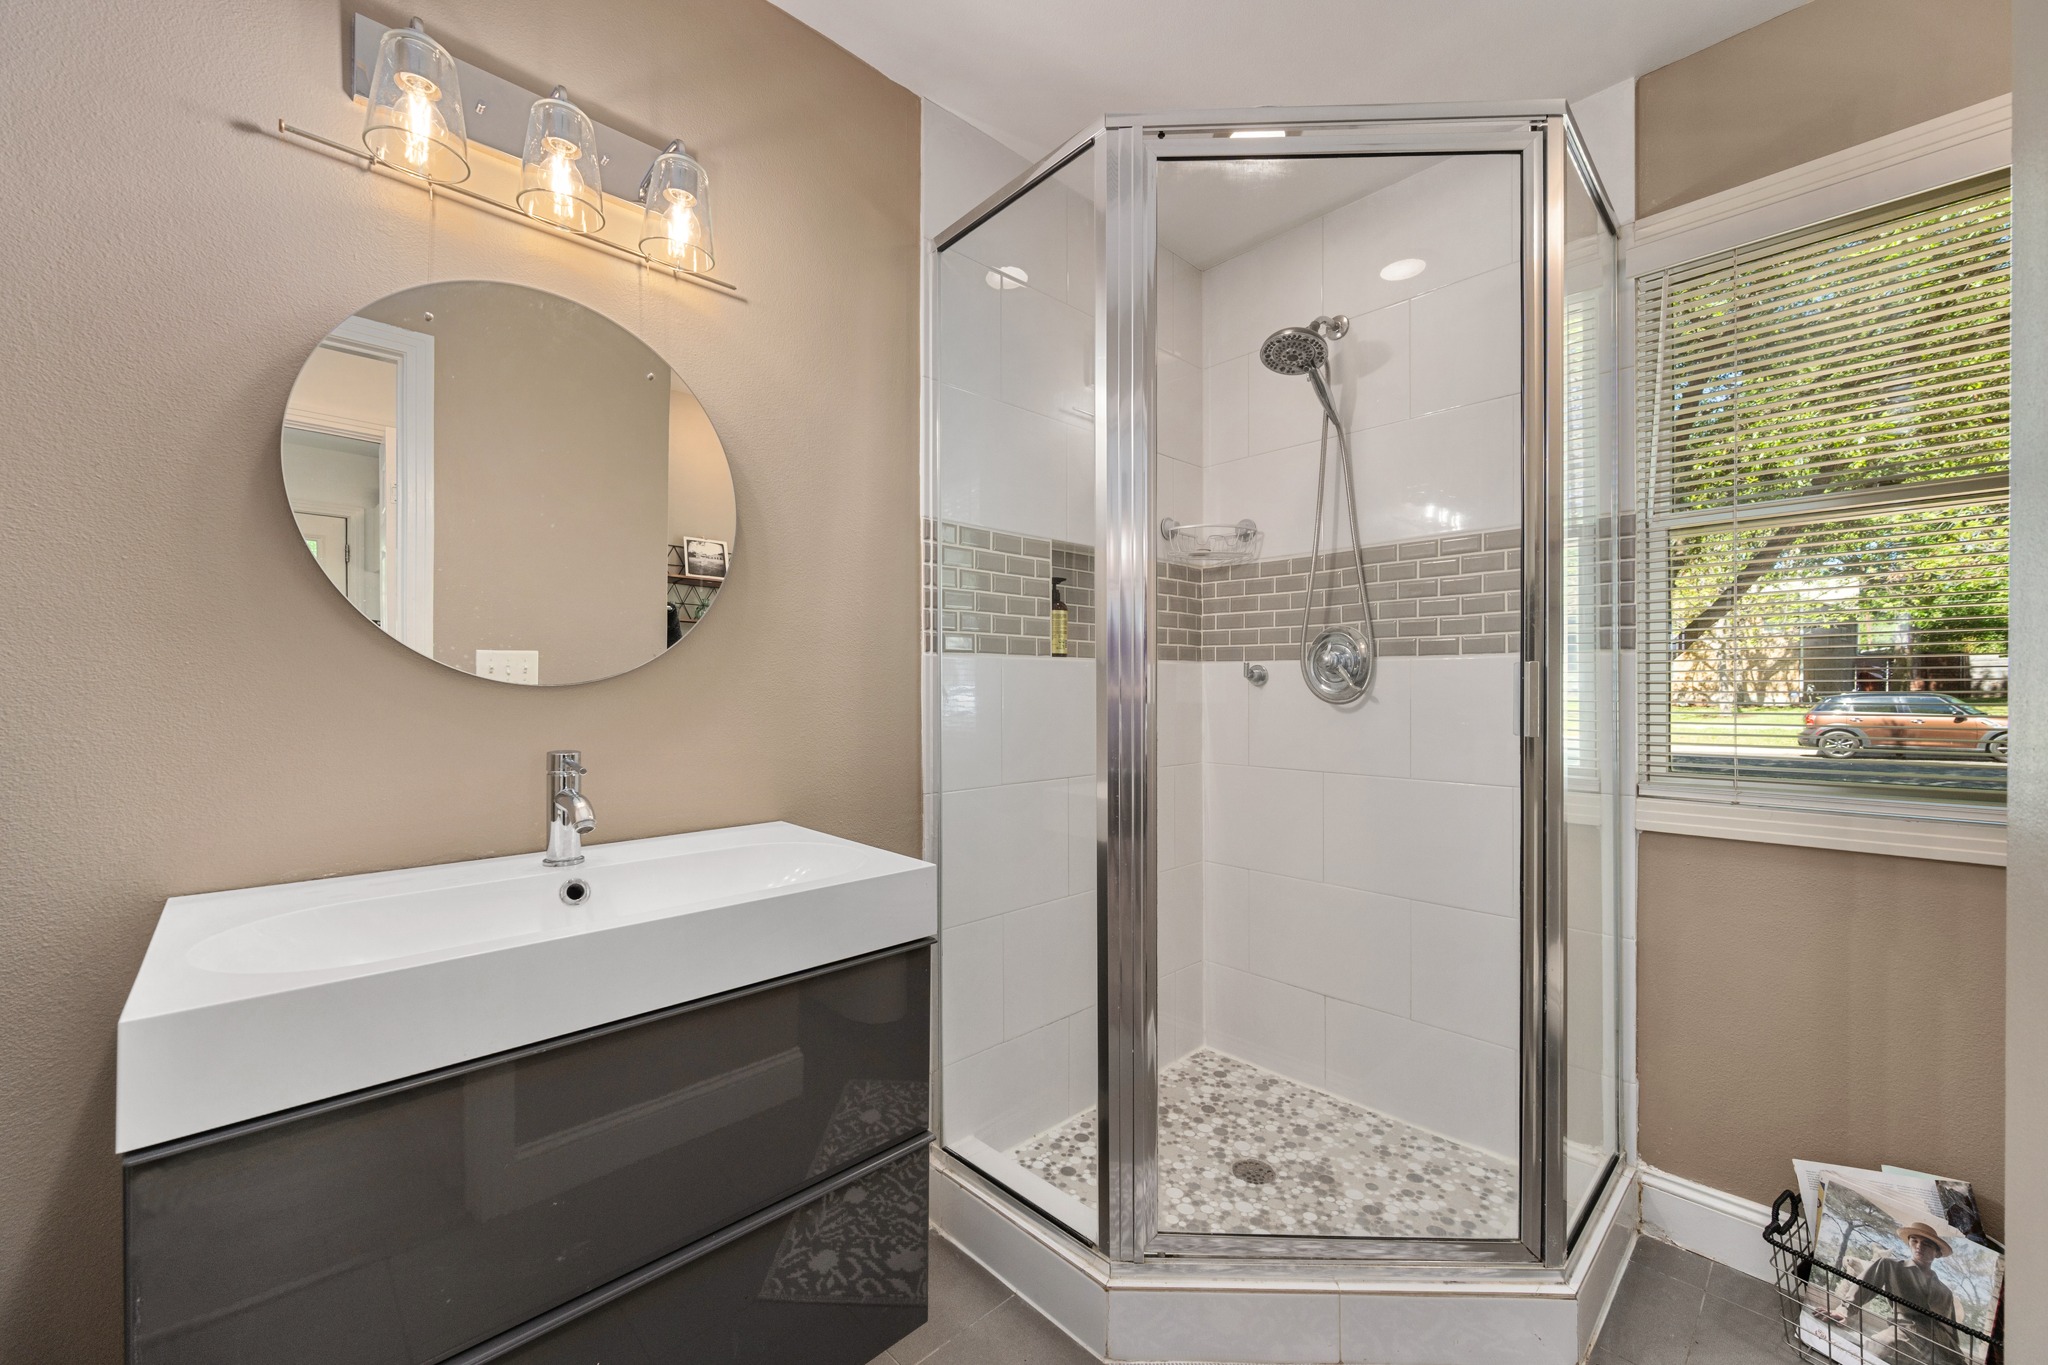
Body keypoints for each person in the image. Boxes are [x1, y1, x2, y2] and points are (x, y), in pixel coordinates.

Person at [1825, 1222, 1966, 1365]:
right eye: (1914, 1241)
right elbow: (1863, 1286)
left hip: (1942, 1347)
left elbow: (1951, 1330)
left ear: (1937, 1253)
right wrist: (1843, 1311)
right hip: (1906, 1333)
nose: (1919, 1246)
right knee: (1870, 1350)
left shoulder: (1945, 1292)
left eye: (1926, 1244)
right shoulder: (1890, 1265)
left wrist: (1957, 1356)